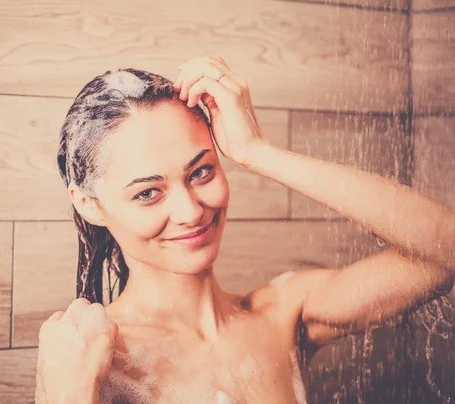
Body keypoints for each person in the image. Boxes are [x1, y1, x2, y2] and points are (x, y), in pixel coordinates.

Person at [35, 56, 455, 404]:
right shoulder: (91, 359)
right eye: (148, 193)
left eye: (201, 171)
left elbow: (446, 245)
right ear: (90, 204)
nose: (190, 210)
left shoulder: (283, 315)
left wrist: (259, 152)